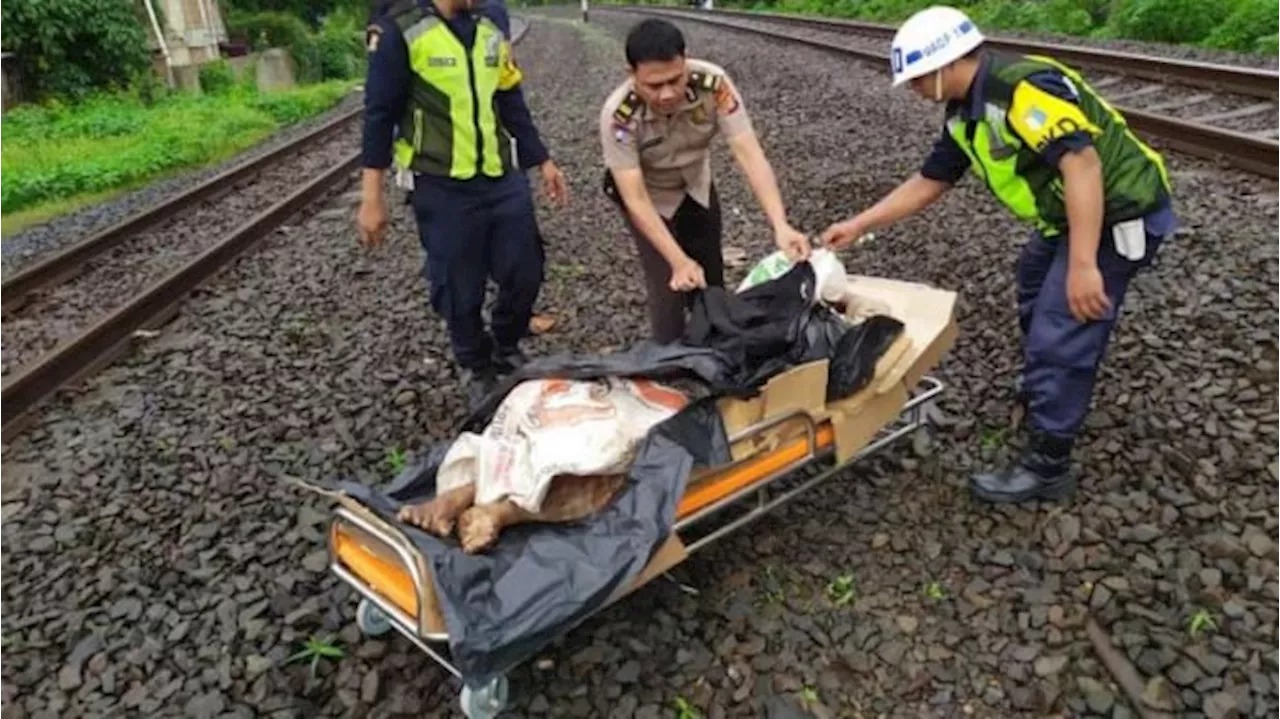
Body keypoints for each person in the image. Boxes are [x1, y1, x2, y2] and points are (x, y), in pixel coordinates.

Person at [821, 6, 1176, 505]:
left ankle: (1049, 464)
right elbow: (930, 181)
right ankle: (1046, 383)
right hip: (1066, 218)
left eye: (918, 80)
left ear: (944, 65)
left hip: (1117, 214)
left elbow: (1083, 166)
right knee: (1033, 278)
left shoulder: (1021, 92)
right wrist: (858, 225)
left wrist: (1082, 264)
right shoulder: (967, 111)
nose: (916, 91)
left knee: (1064, 323)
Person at [358, 0, 569, 409]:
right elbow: (379, 116)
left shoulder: (492, 26)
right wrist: (372, 197)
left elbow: (510, 99)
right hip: (440, 184)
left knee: (525, 270)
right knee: (459, 286)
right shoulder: (401, 31)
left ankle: (505, 345)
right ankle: (474, 364)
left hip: (500, 176)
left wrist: (541, 159)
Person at [600, 18, 811, 345]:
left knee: (711, 278)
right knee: (669, 287)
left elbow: (748, 153)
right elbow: (636, 198)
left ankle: (718, 351)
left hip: (695, 184)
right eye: (654, 86)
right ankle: (669, 360)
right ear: (632, 74)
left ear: (686, 61)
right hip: (650, 198)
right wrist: (678, 261)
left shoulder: (714, 84)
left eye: (675, 79)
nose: (668, 93)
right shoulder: (618, 116)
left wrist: (780, 224)